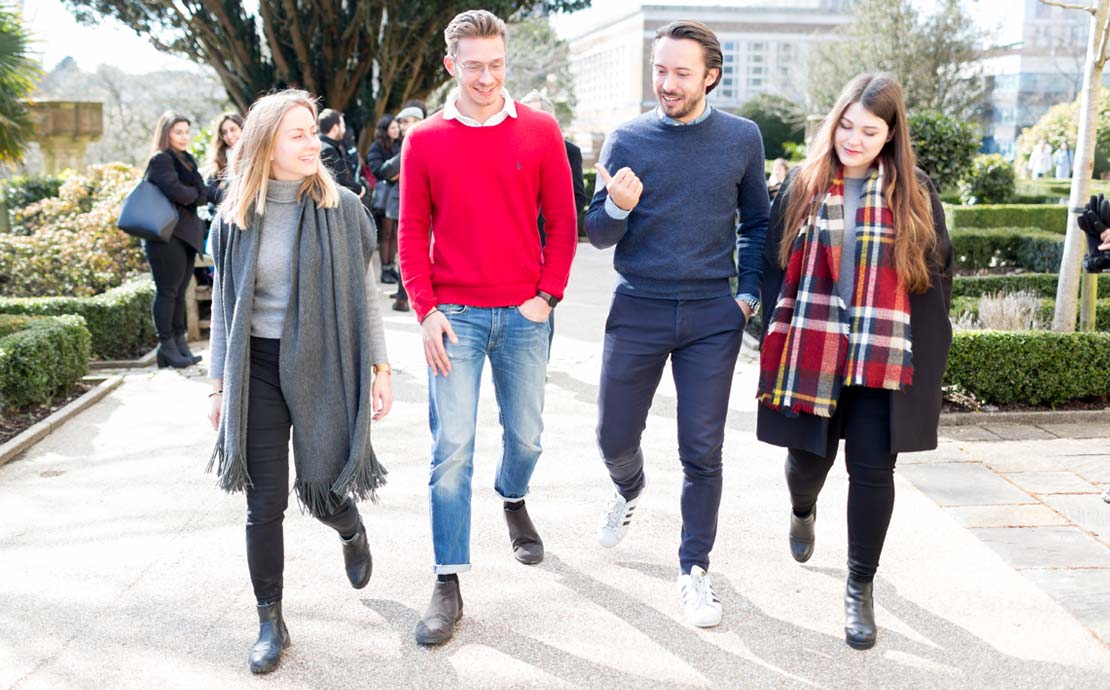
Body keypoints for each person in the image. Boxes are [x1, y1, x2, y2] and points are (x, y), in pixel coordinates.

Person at [397, 9, 577, 646]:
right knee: (451, 451)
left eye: (497, 65)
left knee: (525, 436)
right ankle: (447, 577)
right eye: (474, 66)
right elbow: (412, 232)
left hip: (526, 315)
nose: (487, 77)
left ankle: (513, 495)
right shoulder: (423, 140)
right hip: (457, 321)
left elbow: (563, 220)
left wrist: (547, 296)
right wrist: (426, 311)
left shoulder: (540, 130)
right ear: (452, 65)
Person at [757, 74, 953, 651]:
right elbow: (773, 263)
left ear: (891, 135)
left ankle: (859, 586)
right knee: (807, 462)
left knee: (873, 471)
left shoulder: (914, 191)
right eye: (846, 126)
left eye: (870, 131)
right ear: (834, 120)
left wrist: (929, 359)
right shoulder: (802, 183)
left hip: (880, 354)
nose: (854, 139)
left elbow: (936, 276)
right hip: (813, 350)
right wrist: (774, 334)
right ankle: (802, 508)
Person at [584, 19, 769, 629]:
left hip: (712, 316)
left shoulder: (742, 139)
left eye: (680, 72)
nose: (666, 82)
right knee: (612, 436)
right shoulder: (627, 138)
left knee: (702, 450)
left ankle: (694, 570)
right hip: (638, 304)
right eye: (660, 69)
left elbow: (758, 225)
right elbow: (600, 236)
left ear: (710, 76)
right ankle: (629, 489)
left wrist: (746, 297)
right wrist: (618, 205)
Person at [206, 89, 392, 674]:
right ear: (266, 144)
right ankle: (270, 621)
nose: (313, 142)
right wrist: (216, 385)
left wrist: (381, 368)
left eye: (313, 130)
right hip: (254, 366)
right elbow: (224, 305)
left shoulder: (345, 209)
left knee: (322, 487)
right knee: (264, 504)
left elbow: (367, 297)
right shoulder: (234, 216)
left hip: (323, 361)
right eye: (298, 134)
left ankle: (349, 526)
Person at [142, 111, 209, 368]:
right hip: (165, 235)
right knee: (167, 291)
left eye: (186, 131)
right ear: (166, 133)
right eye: (178, 132)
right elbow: (176, 191)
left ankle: (179, 344)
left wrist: (193, 194)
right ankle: (166, 344)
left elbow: (200, 193)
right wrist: (194, 194)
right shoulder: (161, 159)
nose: (184, 136)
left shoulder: (187, 159)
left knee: (180, 291)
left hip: (184, 234)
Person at [383, 105, 425, 312]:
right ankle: (404, 295)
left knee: (413, 252)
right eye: (402, 122)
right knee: (406, 251)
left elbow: (389, 169)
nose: (404, 126)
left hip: (423, 207)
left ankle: (407, 296)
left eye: (410, 121)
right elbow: (386, 171)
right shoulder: (404, 144)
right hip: (404, 203)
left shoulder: (419, 141)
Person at [366, 114, 401, 284]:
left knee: (395, 234)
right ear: (385, 130)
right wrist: (393, 175)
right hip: (386, 194)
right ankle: (384, 268)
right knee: (386, 233)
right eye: (393, 128)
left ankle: (391, 267)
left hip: (398, 194)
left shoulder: (400, 144)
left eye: (397, 127)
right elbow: (376, 169)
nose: (396, 130)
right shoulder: (377, 146)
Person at [318, 108, 366, 197]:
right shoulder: (328, 150)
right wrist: (360, 189)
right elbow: (339, 182)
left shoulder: (323, 146)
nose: (344, 130)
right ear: (335, 128)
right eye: (343, 126)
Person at [204, 112, 244, 218]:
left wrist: (225, 186)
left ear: (242, 128)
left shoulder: (254, 154)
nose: (229, 136)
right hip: (222, 215)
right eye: (224, 132)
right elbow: (210, 192)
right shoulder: (218, 158)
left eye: (233, 129)